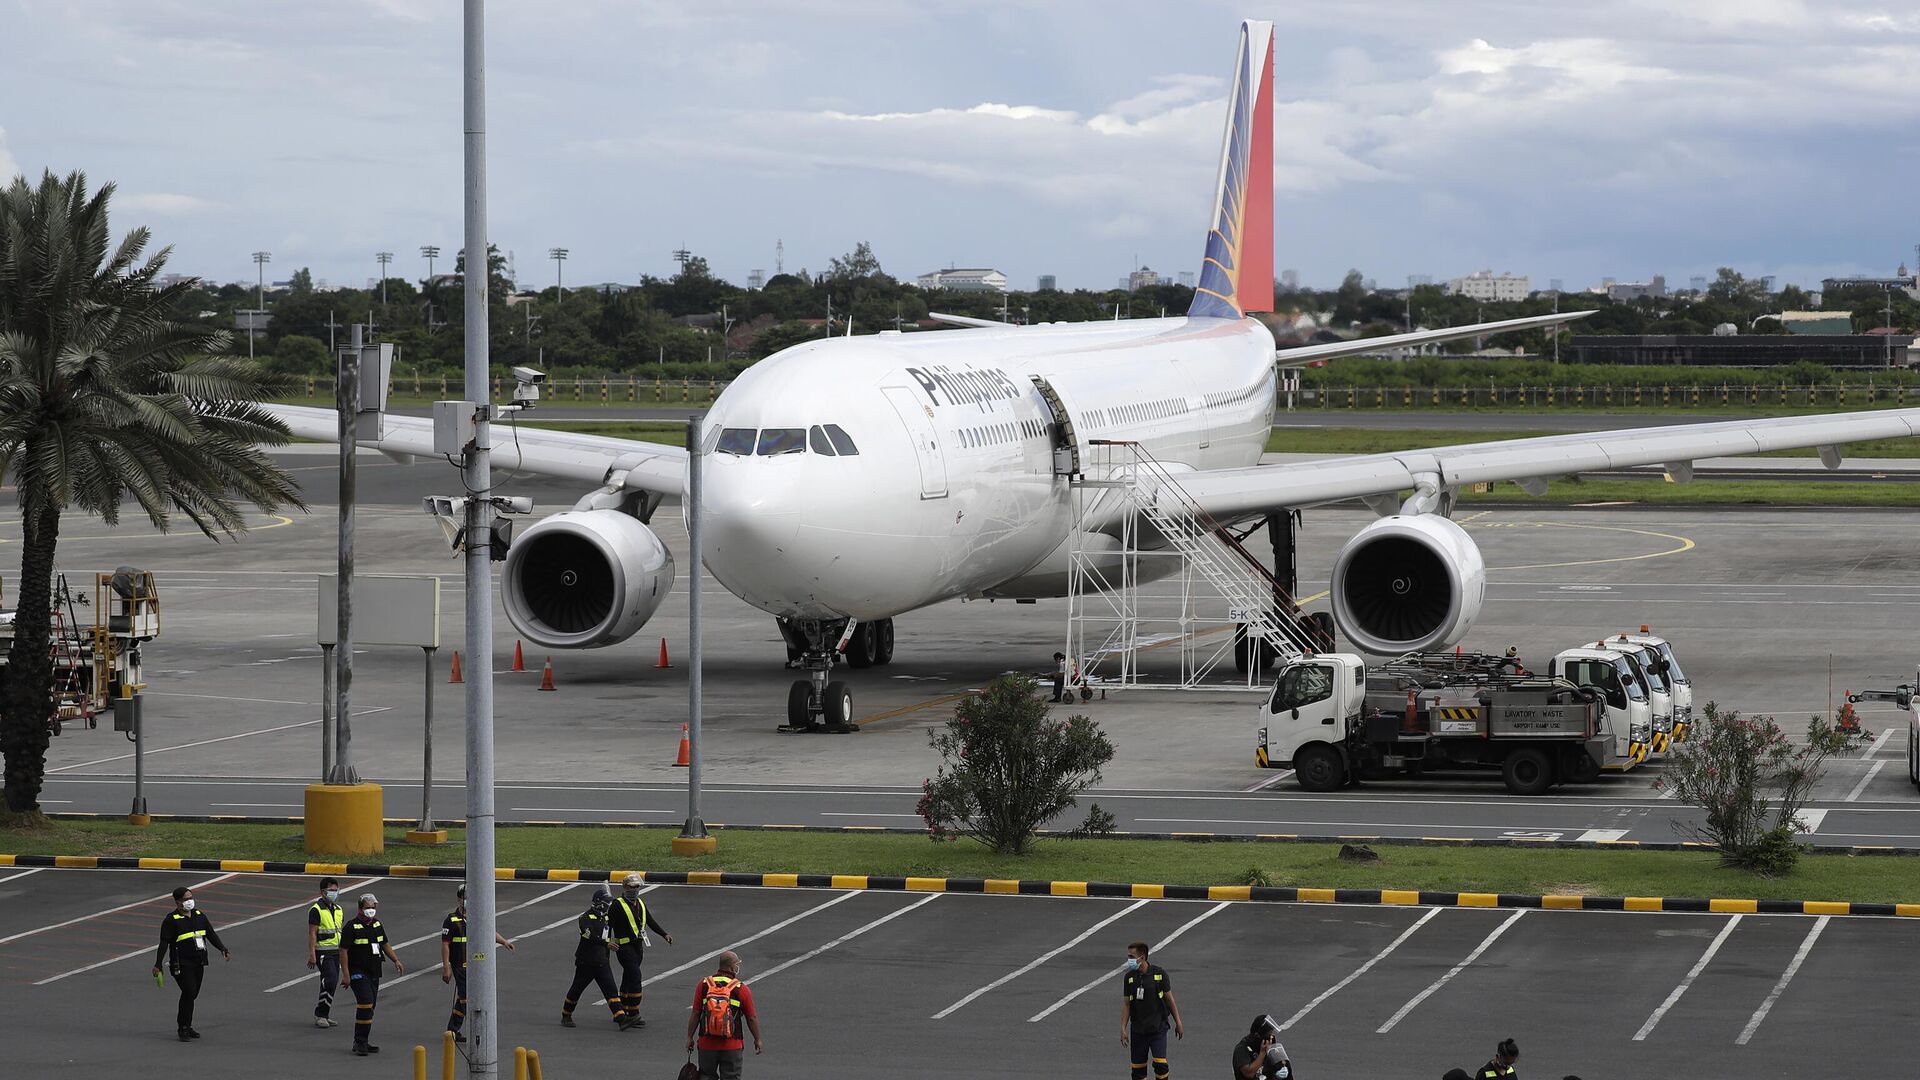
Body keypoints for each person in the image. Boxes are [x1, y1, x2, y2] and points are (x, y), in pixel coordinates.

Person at [151, 885, 231, 1042]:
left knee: (192, 994)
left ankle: (187, 1024)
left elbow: (210, 934)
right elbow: (163, 943)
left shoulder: (199, 916)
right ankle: (183, 1027)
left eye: (191, 898)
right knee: (189, 991)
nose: (190, 901)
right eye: (186, 899)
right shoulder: (171, 920)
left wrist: (222, 948)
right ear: (177, 902)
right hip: (180, 963)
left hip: (199, 961)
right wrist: (158, 964)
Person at [441, 884, 514, 1043]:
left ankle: (452, 1030)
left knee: (463, 998)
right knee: (466, 997)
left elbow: (489, 931)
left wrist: (504, 942)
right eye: (463, 898)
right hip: (459, 964)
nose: (466, 901)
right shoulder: (451, 920)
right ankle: (477, 1030)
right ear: (459, 899)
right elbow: (445, 944)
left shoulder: (476, 916)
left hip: (476, 963)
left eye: (468, 898)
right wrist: (446, 967)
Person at [562, 886, 635, 1029]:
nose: (609, 906)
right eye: (607, 902)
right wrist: (606, 944)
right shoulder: (585, 917)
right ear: (599, 903)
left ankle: (621, 1018)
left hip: (602, 961)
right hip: (586, 962)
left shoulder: (607, 918)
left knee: (611, 990)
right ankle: (566, 1014)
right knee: (576, 989)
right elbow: (589, 936)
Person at [686, 951, 762, 1080]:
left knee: (706, 1076)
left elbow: (696, 1013)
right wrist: (757, 1039)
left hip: (707, 1043)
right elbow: (751, 1018)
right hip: (732, 1045)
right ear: (732, 967)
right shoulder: (741, 988)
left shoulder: (704, 985)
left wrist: (689, 1037)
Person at [344, 892, 403, 1056]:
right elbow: (343, 951)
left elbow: (384, 943)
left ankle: (361, 1041)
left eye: (373, 908)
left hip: (374, 971)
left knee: (370, 1008)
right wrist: (346, 974)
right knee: (366, 1003)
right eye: (367, 908)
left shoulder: (377, 925)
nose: (371, 910)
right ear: (360, 908)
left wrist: (395, 960)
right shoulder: (351, 926)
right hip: (357, 972)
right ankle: (360, 1042)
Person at [610, 873, 672, 1026]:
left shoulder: (640, 903)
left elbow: (649, 920)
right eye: (632, 887)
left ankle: (622, 1010)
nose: (635, 889)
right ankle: (634, 1012)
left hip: (638, 947)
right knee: (635, 977)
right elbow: (607, 924)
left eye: (637, 886)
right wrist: (607, 943)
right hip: (623, 947)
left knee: (628, 978)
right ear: (625, 887)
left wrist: (664, 934)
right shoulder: (617, 905)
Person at [1120, 941, 1183, 1080]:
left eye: (1131, 957)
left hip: (1157, 1029)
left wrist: (1178, 1022)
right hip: (1138, 1031)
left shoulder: (1159, 974)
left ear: (1142, 958)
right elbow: (1127, 1005)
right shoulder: (1129, 978)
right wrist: (1123, 1028)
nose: (1129, 960)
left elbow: (1170, 1000)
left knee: (1160, 1065)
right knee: (1138, 1070)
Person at [307, 876, 345, 1029]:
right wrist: (312, 954)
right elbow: (312, 933)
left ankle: (324, 1014)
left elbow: (339, 930)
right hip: (323, 952)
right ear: (322, 892)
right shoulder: (316, 910)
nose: (334, 893)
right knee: (330, 980)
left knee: (331, 982)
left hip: (337, 951)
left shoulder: (338, 909)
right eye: (331, 891)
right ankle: (320, 1013)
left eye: (336, 891)